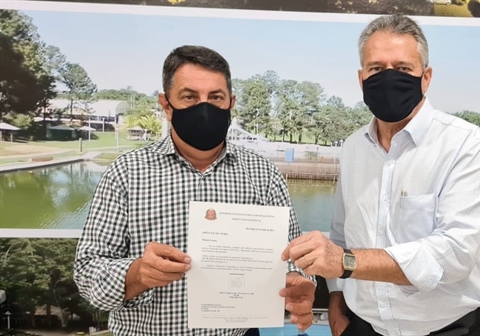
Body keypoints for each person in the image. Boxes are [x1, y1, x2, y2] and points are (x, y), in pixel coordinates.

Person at [281, 15, 480, 336]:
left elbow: (455, 254)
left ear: (425, 77)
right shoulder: (354, 147)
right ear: (361, 78)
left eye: (402, 69)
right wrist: (335, 296)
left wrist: (345, 262)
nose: (388, 78)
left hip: (446, 329)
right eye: (376, 69)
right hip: (361, 325)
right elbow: (342, 232)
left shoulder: (465, 144)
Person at [74, 45, 316, 336]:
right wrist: (137, 273)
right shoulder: (126, 173)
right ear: (166, 105)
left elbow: (293, 254)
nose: (204, 108)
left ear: (231, 103)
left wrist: (297, 279)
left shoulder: (263, 173)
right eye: (189, 97)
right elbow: (88, 273)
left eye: (216, 98)